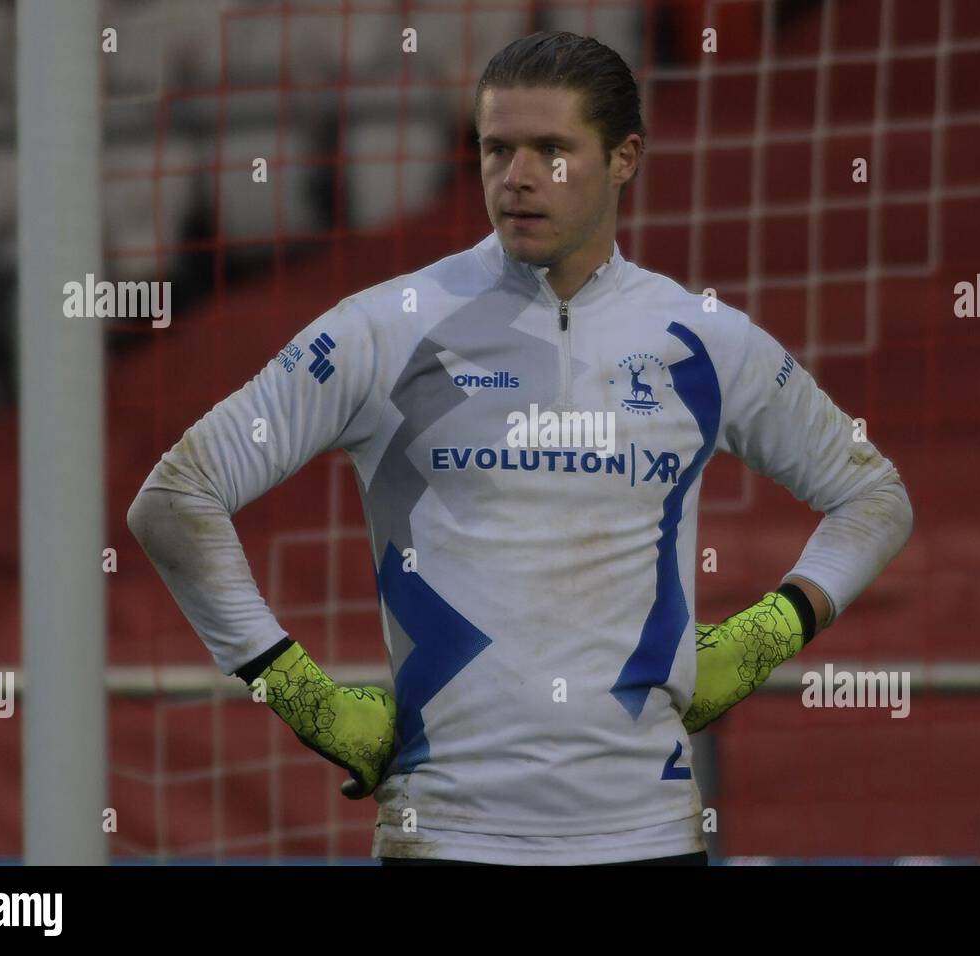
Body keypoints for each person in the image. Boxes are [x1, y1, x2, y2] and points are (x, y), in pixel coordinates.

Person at [127, 30, 914, 866]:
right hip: (443, 837)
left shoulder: (706, 341)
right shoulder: (387, 328)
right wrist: (301, 694)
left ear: (624, 158)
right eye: (497, 149)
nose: (519, 177)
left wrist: (769, 633)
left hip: (648, 837)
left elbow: (874, 499)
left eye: (551, 149)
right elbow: (176, 500)